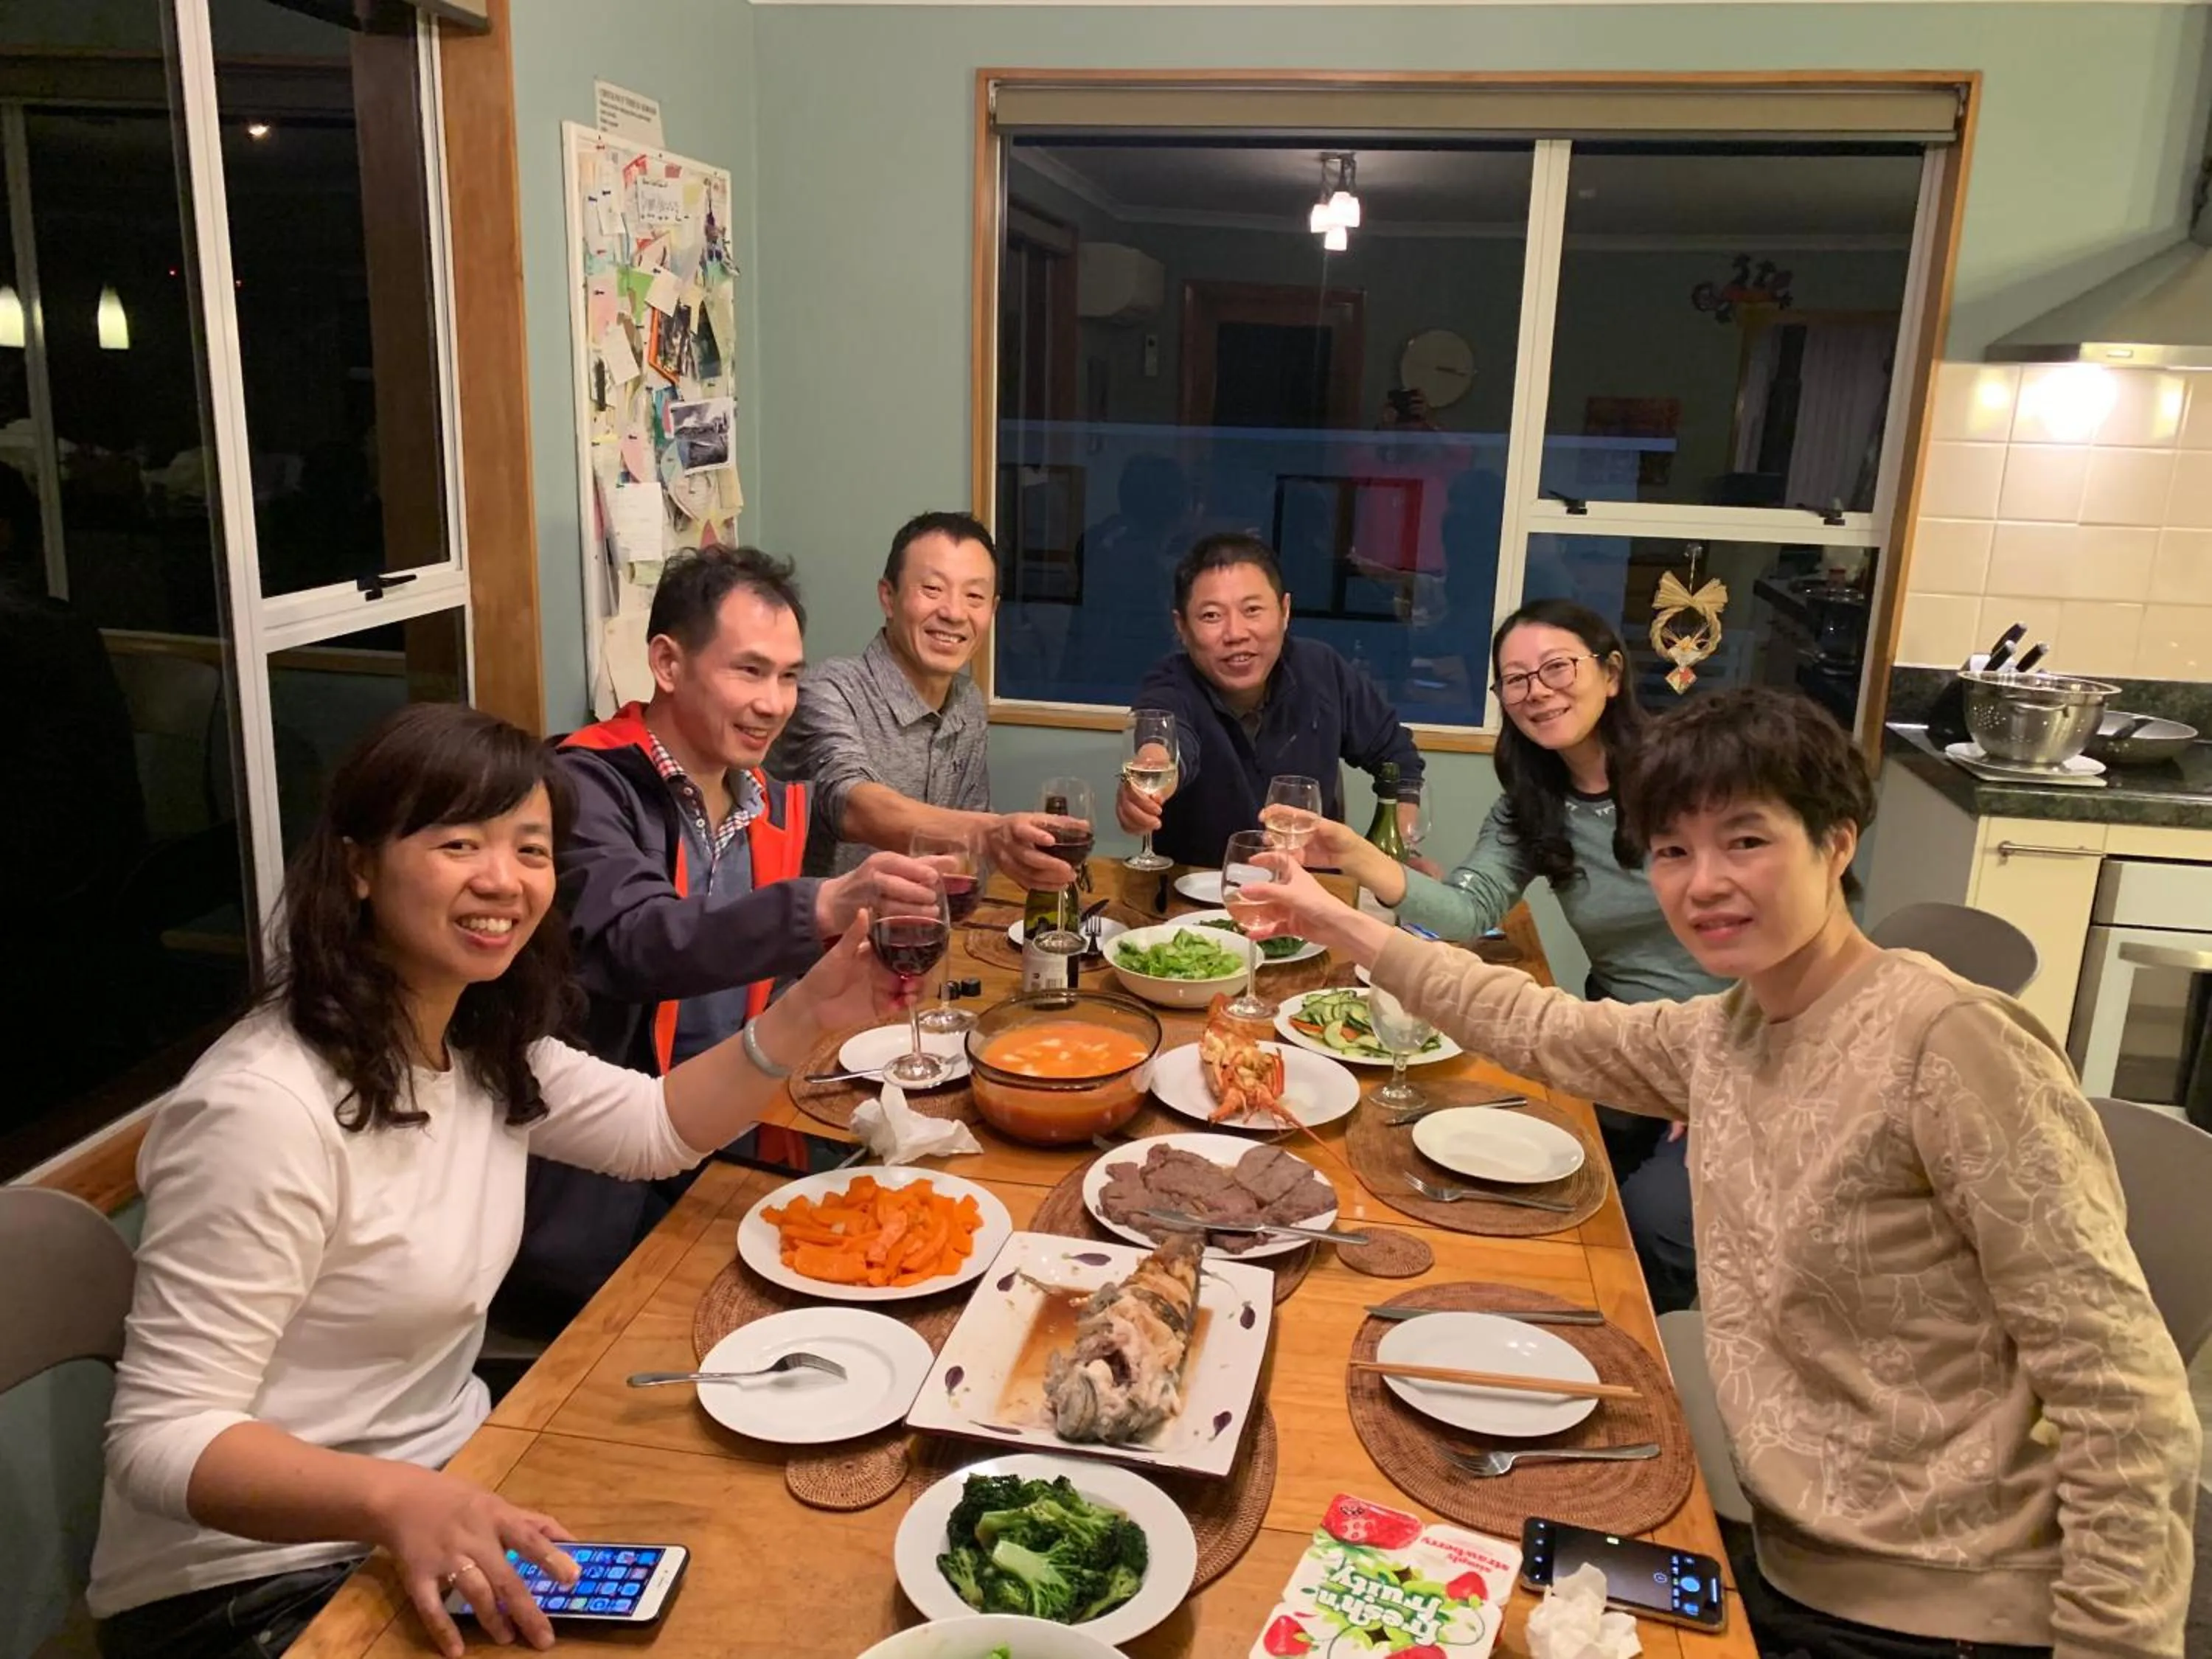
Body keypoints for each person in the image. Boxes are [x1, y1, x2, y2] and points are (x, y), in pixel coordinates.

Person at [1234, 687, 2197, 1659]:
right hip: (1783, 1557)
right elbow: (1543, 1027)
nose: (1704, 883)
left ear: (1837, 842)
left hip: (1946, 1610)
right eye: (1672, 850)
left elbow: (2123, 1393)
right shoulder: (1731, 1031)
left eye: (1746, 841)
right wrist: (1337, 923)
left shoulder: (1949, 1042)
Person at [87, 703, 914, 1659]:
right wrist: (397, 1498)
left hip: (452, 1480)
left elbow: (657, 1129)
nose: (502, 880)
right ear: (359, 866)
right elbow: (159, 1438)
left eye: (530, 849)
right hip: (249, 1583)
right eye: (457, 844)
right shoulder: (262, 1106)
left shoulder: (477, 1040)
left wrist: (812, 1009)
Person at [498, 547, 937, 1333]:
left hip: (738, 1135)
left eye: (789, 677)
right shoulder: (583, 785)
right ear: (667, 663)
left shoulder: (763, 798)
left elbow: (759, 971)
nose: (774, 703)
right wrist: (822, 903)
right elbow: (640, 941)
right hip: (605, 1188)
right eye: (749, 671)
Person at [1289, 598, 1726, 1313]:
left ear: (1612, 673)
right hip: (1620, 1038)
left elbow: (1774, 925)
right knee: (1517, 1164)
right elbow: (1468, 911)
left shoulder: (1691, 776)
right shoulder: (1533, 802)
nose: (1537, 691)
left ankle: (1653, 1342)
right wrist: (1358, 857)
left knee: (1654, 1223)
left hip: (1729, 1044)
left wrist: (1718, 1066)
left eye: (1557, 668)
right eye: (1516, 680)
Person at [767, 510, 1079, 884]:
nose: (954, 613)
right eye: (932, 589)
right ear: (888, 597)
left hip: (927, 919)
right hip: (828, 923)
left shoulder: (967, 703)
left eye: (974, 596)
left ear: (992, 611)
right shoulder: (828, 690)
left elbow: (968, 854)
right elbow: (852, 805)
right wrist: (990, 834)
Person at [1113, 532, 1424, 868]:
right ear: (1182, 628)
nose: (1236, 633)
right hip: (1198, 892)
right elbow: (1164, 738)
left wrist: (1399, 859)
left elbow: (1398, 759)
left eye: (1252, 610)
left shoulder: (1321, 670)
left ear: (1285, 611)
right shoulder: (1172, 682)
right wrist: (1150, 778)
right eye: (1212, 616)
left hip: (1311, 890)